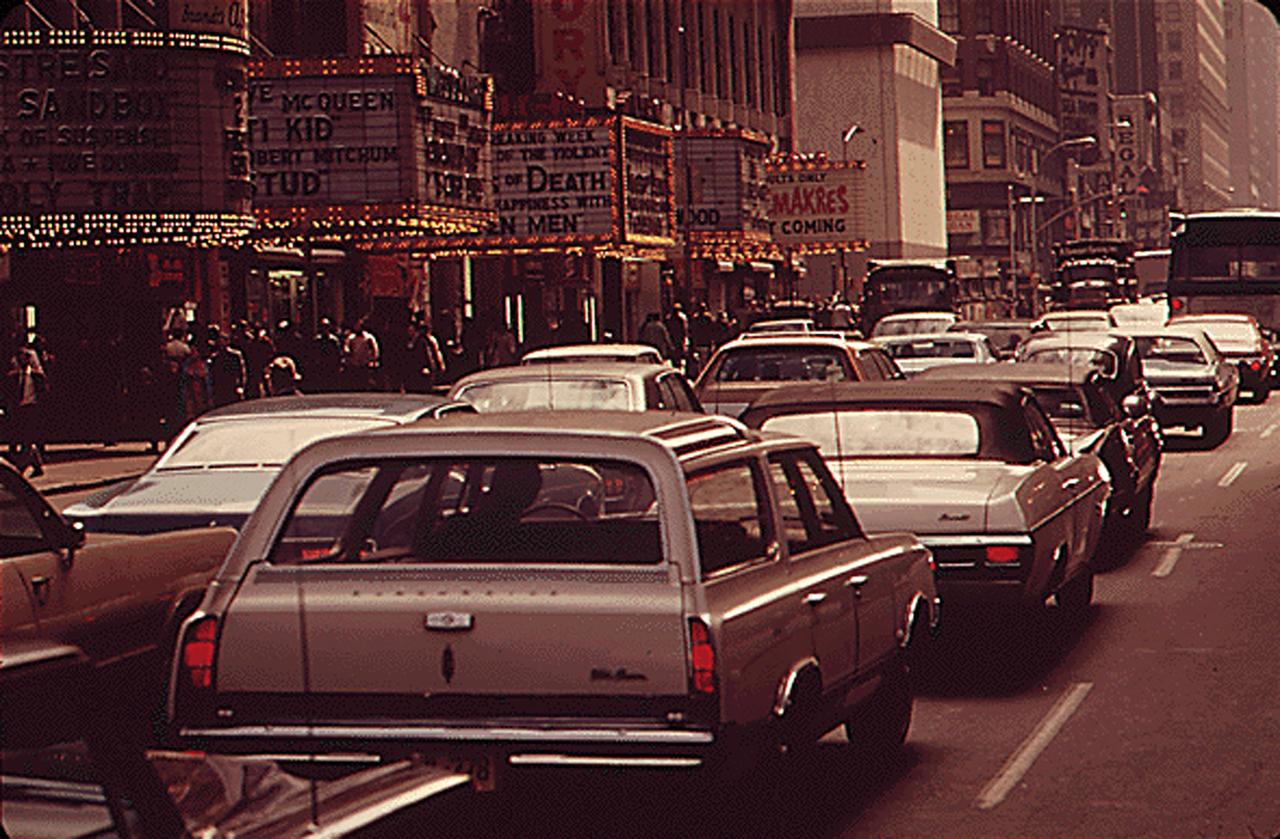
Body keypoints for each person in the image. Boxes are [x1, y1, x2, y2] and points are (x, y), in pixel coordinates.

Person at [8, 339, 46, 476]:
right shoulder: (15, 375)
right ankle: (36, 465)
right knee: (23, 438)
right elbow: (10, 391)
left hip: (31, 407)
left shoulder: (34, 376)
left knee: (26, 439)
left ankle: (21, 468)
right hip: (19, 408)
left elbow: (43, 388)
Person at [205, 325, 246, 408]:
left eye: (224, 340)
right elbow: (211, 374)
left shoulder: (235, 355)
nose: (222, 343)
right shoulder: (214, 358)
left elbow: (241, 371)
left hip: (232, 386)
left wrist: (241, 385)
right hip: (219, 388)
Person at [343, 318, 381, 390]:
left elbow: (375, 349)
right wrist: (347, 353)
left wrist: (374, 359)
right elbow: (346, 347)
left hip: (365, 362)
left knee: (365, 381)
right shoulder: (351, 338)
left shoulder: (368, 338)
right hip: (354, 362)